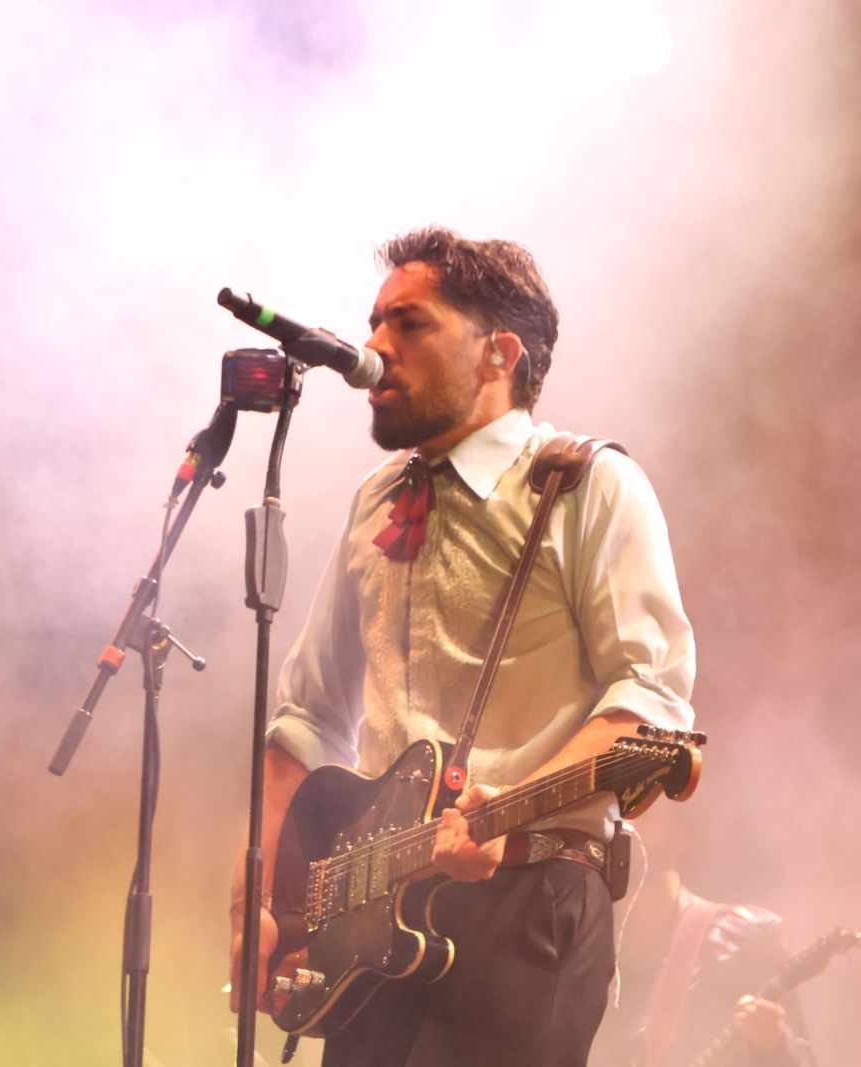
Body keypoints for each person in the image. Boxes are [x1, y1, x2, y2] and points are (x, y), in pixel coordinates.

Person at [228, 226, 696, 1067]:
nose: (373, 346)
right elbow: (304, 716)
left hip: (529, 896)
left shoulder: (589, 485)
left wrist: (505, 803)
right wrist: (257, 894)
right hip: (371, 923)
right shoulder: (377, 499)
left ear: (498, 353)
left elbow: (648, 698)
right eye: (374, 322)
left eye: (410, 324)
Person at [589, 809, 816, 1067]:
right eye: (617, 813)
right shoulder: (572, 943)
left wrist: (773, 1045)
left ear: (681, 838)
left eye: (646, 812)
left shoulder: (743, 938)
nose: (626, 825)